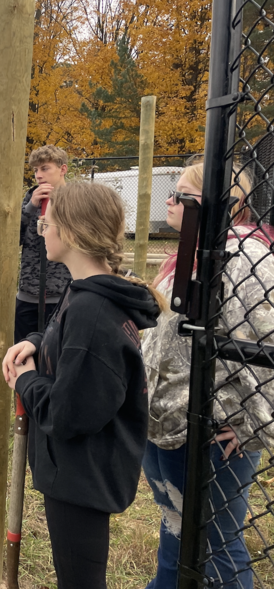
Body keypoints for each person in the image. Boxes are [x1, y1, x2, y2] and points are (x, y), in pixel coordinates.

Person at [2, 182, 163, 588]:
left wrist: (26, 380)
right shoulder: (85, 290)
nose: (43, 230)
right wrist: (35, 344)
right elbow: (63, 338)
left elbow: (67, 414)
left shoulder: (94, 311)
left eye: (47, 223)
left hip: (82, 475)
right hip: (75, 469)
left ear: (71, 233)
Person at [142, 162, 274, 588]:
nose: (170, 201)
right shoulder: (190, 251)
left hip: (216, 432)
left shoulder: (248, 257)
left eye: (182, 194)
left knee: (217, 545)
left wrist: (256, 425)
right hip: (169, 423)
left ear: (227, 204)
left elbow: (266, 343)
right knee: (176, 533)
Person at [16, 145, 72, 342]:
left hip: (62, 293)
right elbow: (15, 240)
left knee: (56, 352)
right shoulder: (30, 198)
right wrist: (30, 207)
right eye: (35, 170)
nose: (39, 175)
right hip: (28, 292)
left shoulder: (75, 198)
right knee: (24, 349)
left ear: (62, 169)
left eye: (45, 168)